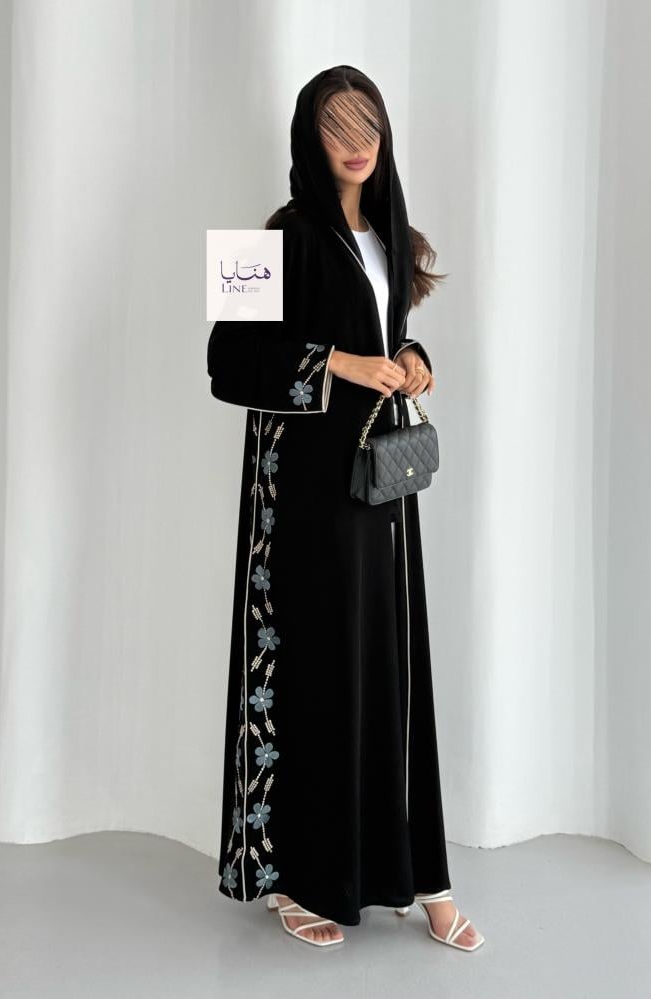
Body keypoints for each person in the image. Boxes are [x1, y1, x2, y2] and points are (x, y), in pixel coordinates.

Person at [207, 64, 484, 952]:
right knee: (320, 671)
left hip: (379, 486)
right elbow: (224, 361)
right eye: (335, 124)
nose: (356, 140)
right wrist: (337, 362)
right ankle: (302, 876)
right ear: (308, 138)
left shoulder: (394, 233)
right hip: (303, 495)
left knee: (391, 669)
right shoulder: (275, 234)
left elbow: (383, 331)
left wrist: (411, 355)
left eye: (367, 121)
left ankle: (417, 875)